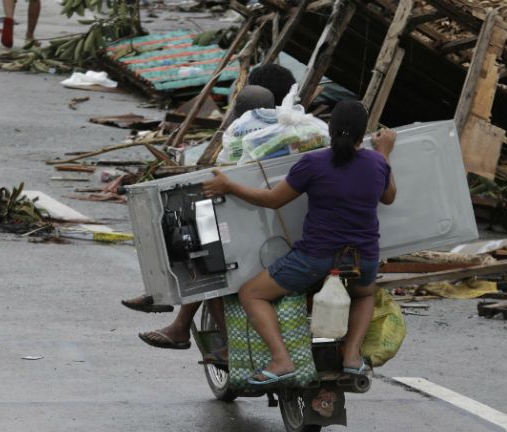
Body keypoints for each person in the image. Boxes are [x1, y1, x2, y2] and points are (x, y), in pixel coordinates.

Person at [201, 100, 397, 385]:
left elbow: (273, 200)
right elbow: (389, 197)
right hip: (363, 257)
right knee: (364, 294)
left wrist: (229, 186)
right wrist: (384, 152)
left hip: (315, 258)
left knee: (251, 294)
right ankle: (352, 356)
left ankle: (281, 358)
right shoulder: (377, 163)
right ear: (361, 134)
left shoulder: (313, 162)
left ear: (329, 129)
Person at [135, 85, 278, 359]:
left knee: (205, 259)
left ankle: (212, 338)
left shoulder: (238, 138)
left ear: (238, 114)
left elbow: (223, 183)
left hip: (249, 237)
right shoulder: (294, 137)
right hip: (279, 235)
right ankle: (175, 317)